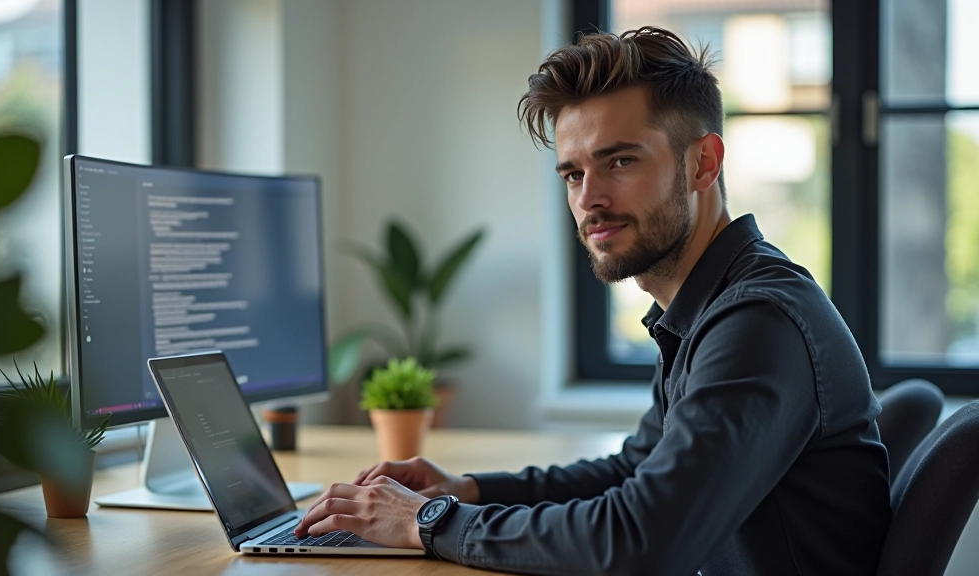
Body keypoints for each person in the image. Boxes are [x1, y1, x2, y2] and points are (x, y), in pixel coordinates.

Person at [294, 26, 891, 575]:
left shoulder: (757, 322)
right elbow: (635, 471)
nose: (590, 199)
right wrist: (467, 490)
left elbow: (642, 539)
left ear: (703, 162)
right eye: (573, 174)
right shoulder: (707, 306)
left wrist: (424, 523)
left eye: (620, 161)